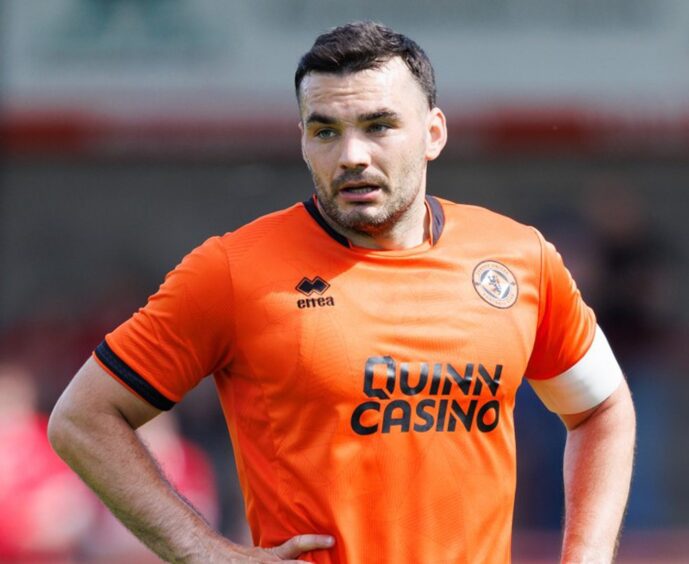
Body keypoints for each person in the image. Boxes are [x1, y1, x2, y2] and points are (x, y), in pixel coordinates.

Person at [48, 21, 636, 563]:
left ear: (433, 133)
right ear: (303, 141)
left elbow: (602, 410)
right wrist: (200, 551)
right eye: (325, 130)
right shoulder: (231, 270)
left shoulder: (518, 258)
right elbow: (83, 418)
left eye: (379, 126)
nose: (352, 155)